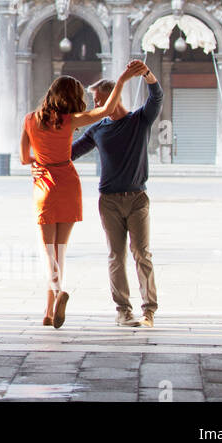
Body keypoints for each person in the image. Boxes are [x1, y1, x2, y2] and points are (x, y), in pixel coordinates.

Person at [20, 61, 139, 328]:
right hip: (69, 184)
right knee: (61, 250)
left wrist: (38, 161)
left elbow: (22, 159)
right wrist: (122, 79)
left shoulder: (29, 120)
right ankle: (50, 310)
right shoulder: (70, 120)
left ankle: (56, 297)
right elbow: (107, 109)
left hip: (44, 186)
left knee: (48, 251)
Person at [71, 60, 164, 328]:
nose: (97, 106)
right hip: (108, 201)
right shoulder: (98, 129)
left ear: (114, 97)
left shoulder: (139, 120)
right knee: (116, 255)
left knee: (142, 253)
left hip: (137, 198)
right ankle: (123, 310)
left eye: (100, 100)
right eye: (96, 101)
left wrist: (146, 74)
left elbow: (157, 96)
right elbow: (71, 153)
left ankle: (149, 311)